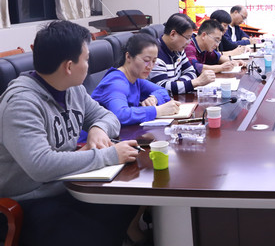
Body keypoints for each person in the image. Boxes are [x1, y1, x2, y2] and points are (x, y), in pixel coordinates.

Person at [0, 20, 139, 246]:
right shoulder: (21, 103)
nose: (89, 65)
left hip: (67, 185)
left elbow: (109, 117)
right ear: (68, 66)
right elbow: (41, 165)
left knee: (125, 203)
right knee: (94, 234)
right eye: (86, 59)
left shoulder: (73, 89)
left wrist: (97, 128)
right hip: (28, 200)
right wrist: (110, 155)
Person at [92, 33, 181, 125]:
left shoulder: (136, 79)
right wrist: (157, 111)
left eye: (154, 61)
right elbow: (120, 115)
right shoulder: (116, 82)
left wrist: (154, 98)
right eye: (146, 60)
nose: (150, 66)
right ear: (128, 57)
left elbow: (163, 91)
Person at [148, 13, 215, 95]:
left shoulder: (178, 49)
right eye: (187, 38)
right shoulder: (155, 54)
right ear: (173, 34)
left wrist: (178, 83)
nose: (189, 42)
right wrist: (196, 82)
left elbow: (191, 72)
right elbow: (162, 88)